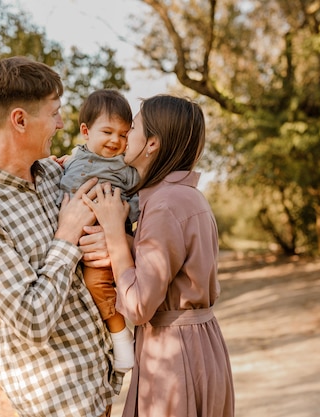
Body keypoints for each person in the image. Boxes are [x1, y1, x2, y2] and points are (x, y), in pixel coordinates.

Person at [0, 56, 123, 417]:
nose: (61, 124)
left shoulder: (54, 174)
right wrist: (68, 235)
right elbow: (33, 320)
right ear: (20, 120)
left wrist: (108, 241)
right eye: (55, 112)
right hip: (61, 405)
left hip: (101, 387)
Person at [84, 94, 235, 416]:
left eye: (133, 129)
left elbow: (138, 306)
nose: (124, 138)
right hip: (198, 346)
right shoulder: (184, 197)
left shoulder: (165, 203)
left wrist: (113, 233)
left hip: (174, 356)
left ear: (152, 143)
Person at [58, 89, 138, 373]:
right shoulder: (72, 158)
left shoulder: (124, 167)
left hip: (101, 243)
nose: (116, 140)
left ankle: (121, 336)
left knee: (96, 285)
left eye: (123, 134)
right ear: (85, 131)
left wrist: (127, 213)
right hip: (70, 244)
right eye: (107, 131)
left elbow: (139, 198)